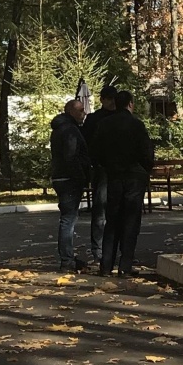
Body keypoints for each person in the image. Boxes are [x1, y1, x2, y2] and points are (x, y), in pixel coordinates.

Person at [96, 87, 155, 278]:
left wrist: (108, 165)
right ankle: (125, 265)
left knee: (112, 220)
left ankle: (106, 265)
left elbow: (96, 150)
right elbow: (147, 152)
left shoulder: (104, 125)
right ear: (130, 104)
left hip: (114, 175)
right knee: (131, 220)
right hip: (134, 176)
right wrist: (144, 169)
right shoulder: (136, 125)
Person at [48, 95, 92, 272]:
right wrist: (82, 175)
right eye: (81, 110)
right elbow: (71, 156)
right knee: (68, 219)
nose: (84, 113)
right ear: (71, 111)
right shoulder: (70, 130)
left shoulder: (59, 128)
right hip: (69, 179)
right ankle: (66, 259)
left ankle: (68, 256)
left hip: (60, 176)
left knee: (69, 218)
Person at [80, 85, 117, 269]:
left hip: (118, 169)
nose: (111, 102)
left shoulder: (121, 118)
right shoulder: (93, 120)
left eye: (113, 98)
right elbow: (86, 144)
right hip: (102, 169)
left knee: (117, 211)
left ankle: (115, 251)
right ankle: (99, 251)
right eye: (108, 98)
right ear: (102, 99)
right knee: (100, 211)